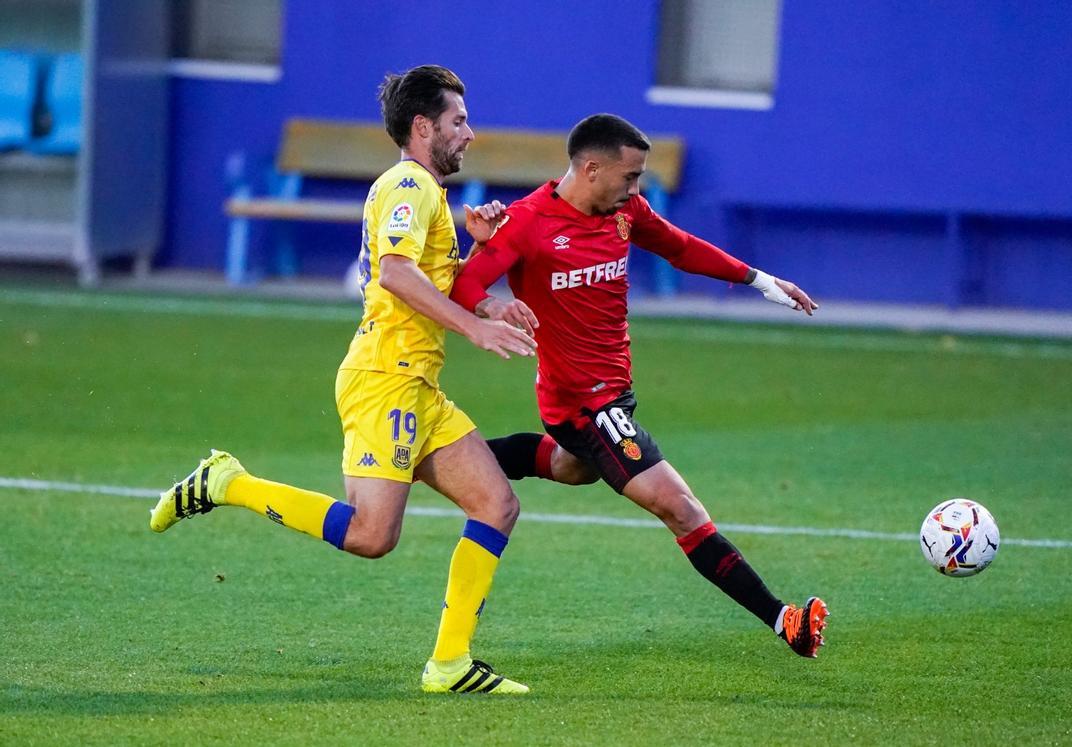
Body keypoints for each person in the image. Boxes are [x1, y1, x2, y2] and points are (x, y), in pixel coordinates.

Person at [149, 65, 537, 695]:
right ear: (423, 126)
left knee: (496, 503)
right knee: (370, 535)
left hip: (414, 384)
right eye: (458, 121)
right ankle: (229, 483)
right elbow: (395, 275)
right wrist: (474, 328)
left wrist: (485, 292)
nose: (470, 133)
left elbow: (427, 277)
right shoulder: (408, 185)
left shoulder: (426, 192)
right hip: (386, 380)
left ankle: (449, 664)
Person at [449, 113, 829, 659]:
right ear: (592, 167)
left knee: (572, 467)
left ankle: (439, 457)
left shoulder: (624, 210)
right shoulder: (526, 222)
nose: (637, 187)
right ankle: (784, 620)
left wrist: (760, 280)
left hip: (612, 394)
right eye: (630, 176)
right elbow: (465, 282)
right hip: (583, 403)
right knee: (680, 506)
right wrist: (492, 305)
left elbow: (679, 246)